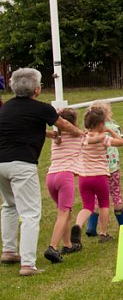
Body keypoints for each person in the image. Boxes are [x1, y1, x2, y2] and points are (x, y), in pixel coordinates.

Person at [0, 68, 80, 276]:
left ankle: (8, 251)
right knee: (30, 213)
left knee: (9, 205)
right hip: (22, 164)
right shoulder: (42, 109)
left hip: (1, 163)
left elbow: (25, 128)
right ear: (36, 89)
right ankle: (27, 264)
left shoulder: (7, 107)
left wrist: (51, 135)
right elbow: (64, 125)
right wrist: (80, 133)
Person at [70, 108, 123, 246]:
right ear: (101, 124)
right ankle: (103, 233)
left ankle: (78, 225)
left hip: (84, 178)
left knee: (87, 206)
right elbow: (121, 142)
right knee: (104, 204)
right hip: (100, 176)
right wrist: (111, 131)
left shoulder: (82, 137)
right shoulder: (103, 138)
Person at [86, 101, 123, 234]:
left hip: (96, 170)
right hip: (112, 169)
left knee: (97, 197)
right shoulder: (111, 127)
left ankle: (91, 225)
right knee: (116, 194)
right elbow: (122, 140)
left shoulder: (90, 132)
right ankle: (122, 223)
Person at [43, 109, 83, 264]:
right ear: (73, 122)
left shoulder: (56, 137)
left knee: (65, 212)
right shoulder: (78, 136)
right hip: (65, 176)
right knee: (63, 213)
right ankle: (52, 247)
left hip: (50, 176)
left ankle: (68, 244)